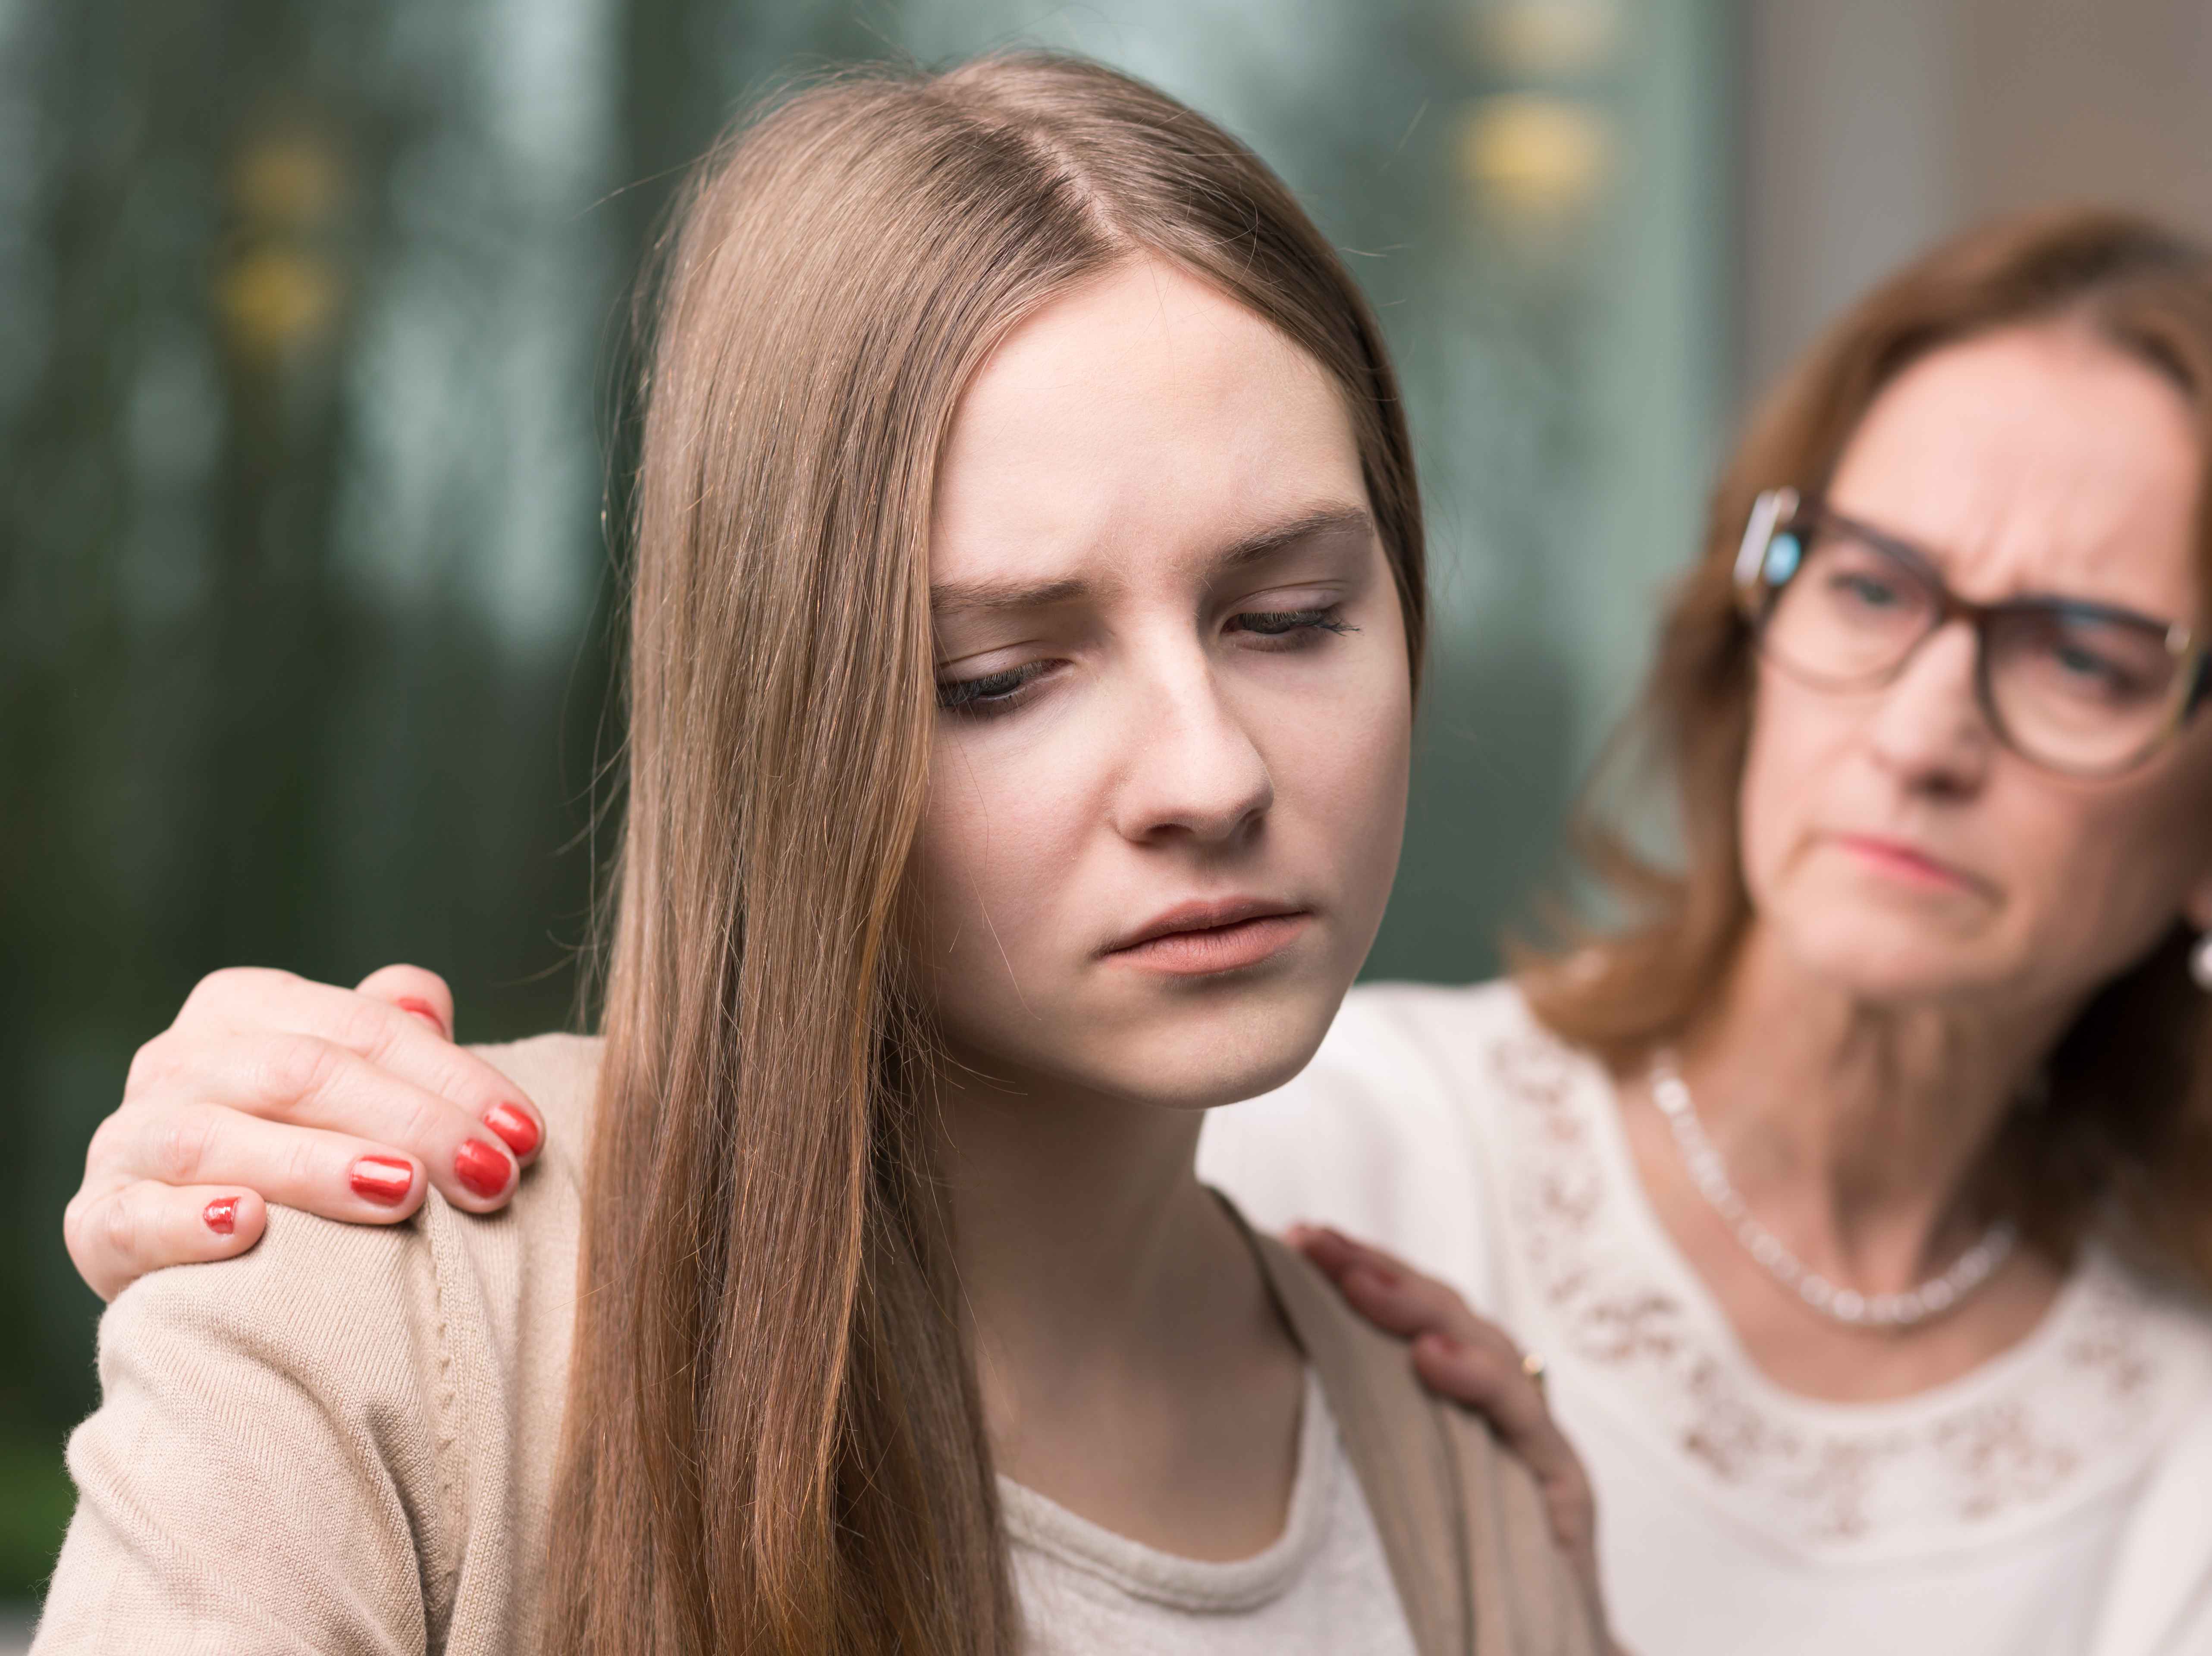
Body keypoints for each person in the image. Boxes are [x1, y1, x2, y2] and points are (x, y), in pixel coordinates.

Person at [66, 208, 2212, 1656]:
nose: (1926, 724)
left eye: (2087, 655)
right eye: (1882, 588)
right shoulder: (1325, 1094)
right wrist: (271, 1210)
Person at [36, 53, 1605, 1656]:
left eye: (1288, 620)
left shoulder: (1455, 1477)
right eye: (998, 677)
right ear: (784, 722)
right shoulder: (384, 1324)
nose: (1211, 773)